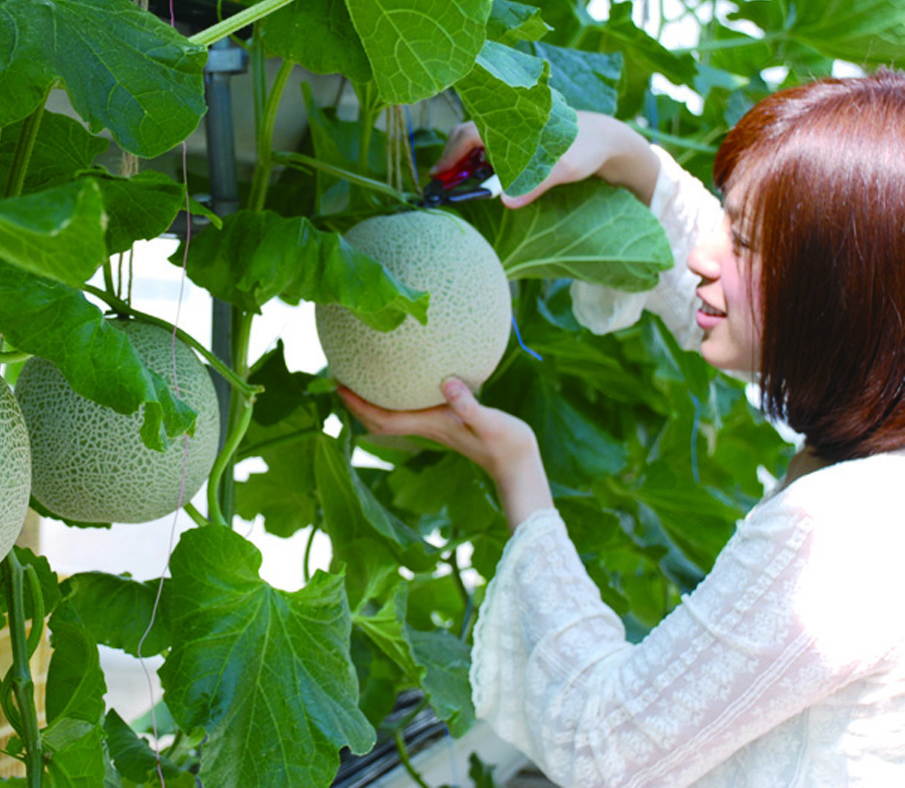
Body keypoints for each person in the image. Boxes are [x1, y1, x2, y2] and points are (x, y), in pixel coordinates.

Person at [340, 71, 905, 786]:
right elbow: (749, 300)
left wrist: (521, 479)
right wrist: (627, 158)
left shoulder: (842, 537)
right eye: (726, 225)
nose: (705, 257)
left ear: (839, 297)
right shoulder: (883, 423)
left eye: (747, 243)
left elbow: (603, 748)